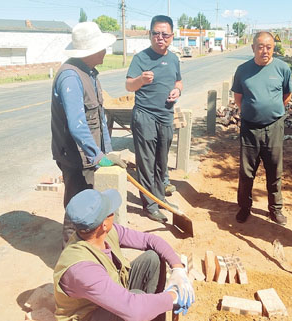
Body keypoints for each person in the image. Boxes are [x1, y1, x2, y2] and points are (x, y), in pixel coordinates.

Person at [53, 189, 195, 321]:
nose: (113, 212)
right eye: (110, 211)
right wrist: (174, 297)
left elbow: (149, 240)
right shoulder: (82, 269)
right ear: (103, 224)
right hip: (90, 315)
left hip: (107, 297)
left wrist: (178, 269)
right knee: (137, 299)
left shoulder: (101, 233)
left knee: (153, 258)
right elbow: (134, 310)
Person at [51, 22, 126, 247]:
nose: (105, 51)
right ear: (90, 52)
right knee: (77, 208)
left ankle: (88, 250)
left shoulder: (90, 74)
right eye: (102, 48)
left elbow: (100, 119)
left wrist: (107, 152)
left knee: (91, 206)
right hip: (75, 157)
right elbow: (77, 125)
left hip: (89, 155)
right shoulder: (70, 77)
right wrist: (96, 156)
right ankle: (71, 257)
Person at [231, 31, 292, 226]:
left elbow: (287, 95)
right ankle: (244, 207)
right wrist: (252, 112)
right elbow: (238, 98)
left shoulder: (282, 68)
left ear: (273, 48)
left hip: (274, 128)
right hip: (249, 129)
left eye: (268, 47)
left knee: (275, 170)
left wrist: (271, 112)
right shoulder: (243, 70)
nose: (264, 50)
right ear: (253, 48)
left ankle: (275, 209)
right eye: (260, 46)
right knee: (246, 172)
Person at [126, 15, 183, 223]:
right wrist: (141, 79)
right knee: (147, 163)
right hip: (145, 116)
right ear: (150, 35)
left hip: (166, 116)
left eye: (165, 34)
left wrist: (177, 90)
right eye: (156, 33)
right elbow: (129, 86)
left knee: (162, 161)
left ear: (172, 36)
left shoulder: (174, 58)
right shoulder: (140, 58)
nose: (160, 37)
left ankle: (160, 199)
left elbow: (179, 81)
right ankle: (149, 206)